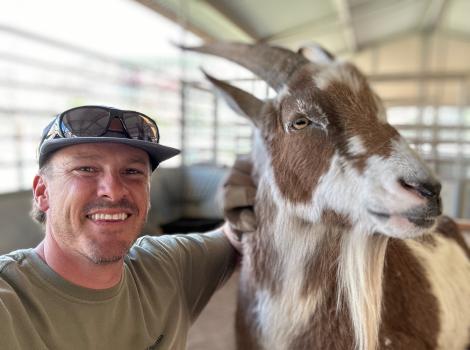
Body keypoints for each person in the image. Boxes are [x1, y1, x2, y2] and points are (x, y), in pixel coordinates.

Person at [0, 105, 256, 349]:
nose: (113, 190)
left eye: (132, 171)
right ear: (42, 192)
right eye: (86, 169)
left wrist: (257, 191)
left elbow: (234, 234)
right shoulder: (11, 303)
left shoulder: (169, 268)